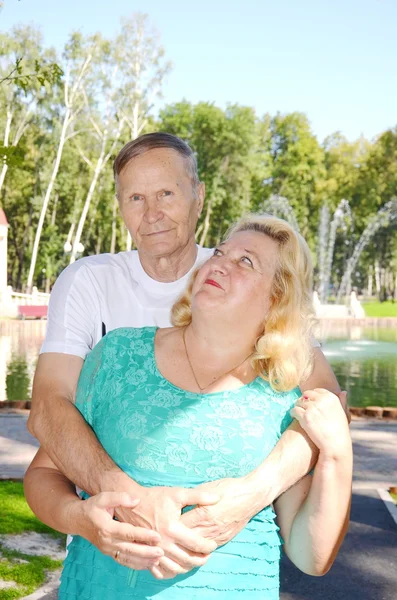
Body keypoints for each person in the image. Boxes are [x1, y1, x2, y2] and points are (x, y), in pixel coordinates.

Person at [27, 133, 345, 576]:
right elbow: (48, 407)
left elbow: (327, 408)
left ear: (198, 197)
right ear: (120, 205)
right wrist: (125, 500)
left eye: (166, 194)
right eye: (135, 197)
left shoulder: (235, 283)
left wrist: (250, 495)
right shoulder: (94, 296)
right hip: (107, 554)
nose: (152, 213)